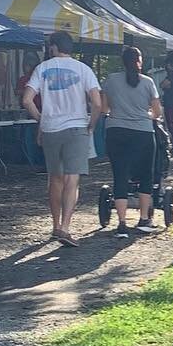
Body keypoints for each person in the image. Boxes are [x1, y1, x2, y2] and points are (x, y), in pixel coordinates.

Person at [22, 29, 102, 245]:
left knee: (54, 179)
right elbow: (97, 103)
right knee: (72, 179)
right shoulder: (84, 69)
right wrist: (91, 123)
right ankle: (66, 227)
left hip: (50, 128)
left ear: (53, 47)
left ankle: (55, 225)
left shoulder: (42, 68)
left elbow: (27, 100)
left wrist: (41, 119)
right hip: (77, 127)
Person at [101, 46, 162, 238]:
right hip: (142, 132)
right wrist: (147, 115)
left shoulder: (111, 80)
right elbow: (157, 111)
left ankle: (121, 223)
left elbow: (104, 108)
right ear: (139, 61)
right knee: (145, 175)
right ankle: (144, 219)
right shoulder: (148, 82)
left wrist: (116, 112)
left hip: (116, 131)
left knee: (120, 175)